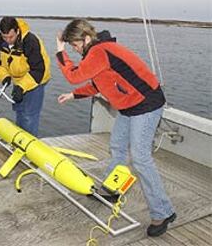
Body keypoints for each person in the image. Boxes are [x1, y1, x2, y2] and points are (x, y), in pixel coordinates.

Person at [55, 19, 175, 237]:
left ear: (87, 38)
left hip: (146, 104)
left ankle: (163, 212)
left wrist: (60, 51)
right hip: (130, 105)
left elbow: (73, 75)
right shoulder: (99, 53)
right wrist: (73, 95)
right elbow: (99, 83)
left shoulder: (100, 51)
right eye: (70, 46)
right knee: (118, 145)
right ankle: (113, 189)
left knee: (140, 158)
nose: (74, 49)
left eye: (75, 45)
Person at [0, 17, 51, 136]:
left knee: (29, 115)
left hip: (36, 79)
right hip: (18, 79)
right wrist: (5, 77)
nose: (8, 40)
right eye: (5, 37)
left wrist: (22, 87)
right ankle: (20, 140)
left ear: (17, 31)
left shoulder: (30, 41)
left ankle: (30, 145)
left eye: (11, 37)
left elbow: (38, 70)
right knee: (19, 110)